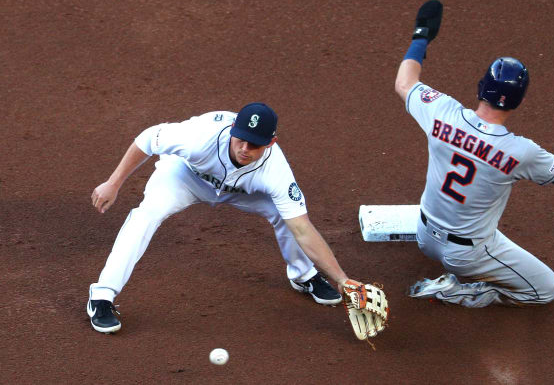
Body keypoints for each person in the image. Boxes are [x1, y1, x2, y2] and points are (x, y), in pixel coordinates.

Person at [394, 0, 554, 308]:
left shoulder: (442, 112)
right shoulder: (519, 151)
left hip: (424, 235)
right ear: (518, 103)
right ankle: (458, 291)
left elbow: (404, 82)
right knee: (546, 289)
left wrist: (422, 35)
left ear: (481, 88)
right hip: (467, 255)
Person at [87, 103, 359, 333]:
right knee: (146, 215)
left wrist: (343, 280)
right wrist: (114, 183)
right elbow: (147, 139)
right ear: (232, 130)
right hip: (185, 177)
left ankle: (304, 275)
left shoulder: (275, 170)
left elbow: (302, 228)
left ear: (271, 143)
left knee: (285, 214)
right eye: (240, 138)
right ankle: (102, 295)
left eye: (254, 144)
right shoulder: (198, 137)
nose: (244, 148)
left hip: (242, 191)